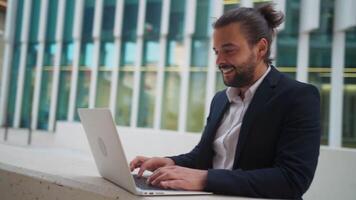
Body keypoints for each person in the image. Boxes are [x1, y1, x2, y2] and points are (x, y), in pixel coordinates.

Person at [130, 3, 321, 199]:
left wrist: (206, 179)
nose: (219, 61)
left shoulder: (298, 97)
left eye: (229, 50)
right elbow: (204, 156)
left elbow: (292, 179)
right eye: (216, 51)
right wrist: (170, 162)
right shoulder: (221, 99)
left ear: (261, 48)